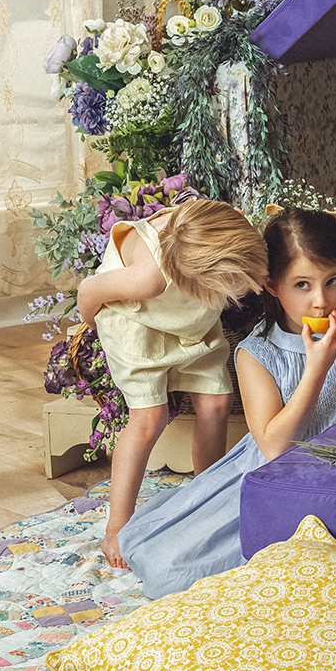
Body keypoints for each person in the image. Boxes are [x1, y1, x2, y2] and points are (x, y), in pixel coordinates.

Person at [117, 206, 336, 596]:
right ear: (272, 285)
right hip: (276, 478)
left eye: (333, 281)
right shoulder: (255, 353)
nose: (321, 300)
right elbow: (275, 446)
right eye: (302, 285)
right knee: (171, 570)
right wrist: (316, 368)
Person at [78, 198, 267, 569]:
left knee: (216, 402)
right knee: (150, 417)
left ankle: (207, 497)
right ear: (197, 283)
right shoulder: (149, 277)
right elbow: (88, 291)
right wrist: (91, 327)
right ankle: (116, 527)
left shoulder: (227, 227)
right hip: (135, 323)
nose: (255, 286)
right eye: (241, 285)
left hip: (191, 324)